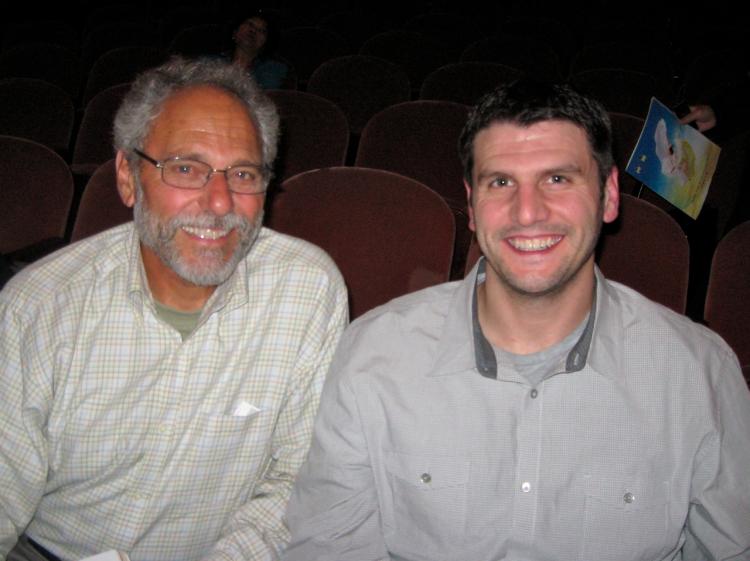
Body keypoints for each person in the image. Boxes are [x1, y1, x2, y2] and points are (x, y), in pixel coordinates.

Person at [283, 79, 750, 561]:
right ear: (471, 204)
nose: (527, 212)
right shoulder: (372, 358)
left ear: (609, 195)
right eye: (501, 182)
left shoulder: (701, 373)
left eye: (558, 179)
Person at [0, 56, 348, 561]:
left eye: (244, 174)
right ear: (127, 175)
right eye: (186, 168)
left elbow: (294, 480)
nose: (221, 202)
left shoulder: (307, 291)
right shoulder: (40, 306)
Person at [226, 10, 289, 90]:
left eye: (261, 30)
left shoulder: (274, 70)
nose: (253, 31)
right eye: (250, 25)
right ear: (234, 33)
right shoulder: (212, 62)